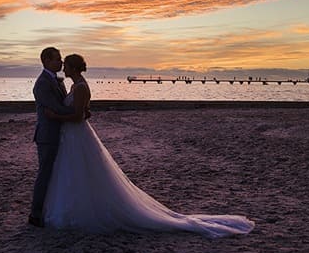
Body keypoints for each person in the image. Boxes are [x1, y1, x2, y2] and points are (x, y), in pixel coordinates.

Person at [42, 53, 254, 238]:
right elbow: (85, 112)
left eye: (66, 65)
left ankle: (82, 212)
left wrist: (55, 116)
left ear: (73, 68)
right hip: (73, 137)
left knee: (83, 172)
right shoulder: (74, 85)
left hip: (77, 134)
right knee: (76, 173)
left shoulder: (79, 87)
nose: (63, 68)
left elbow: (79, 116)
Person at [28, 46, 75, 228]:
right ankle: (35, 214)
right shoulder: (42, 83)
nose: (61, 62)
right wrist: (76, 112)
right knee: (45, 174)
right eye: (57, 59)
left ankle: (50, 209)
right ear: (46, 61)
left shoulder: (57, 80)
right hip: (47, 135)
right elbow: (55, 107)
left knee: (56, 174)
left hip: (60, 133)